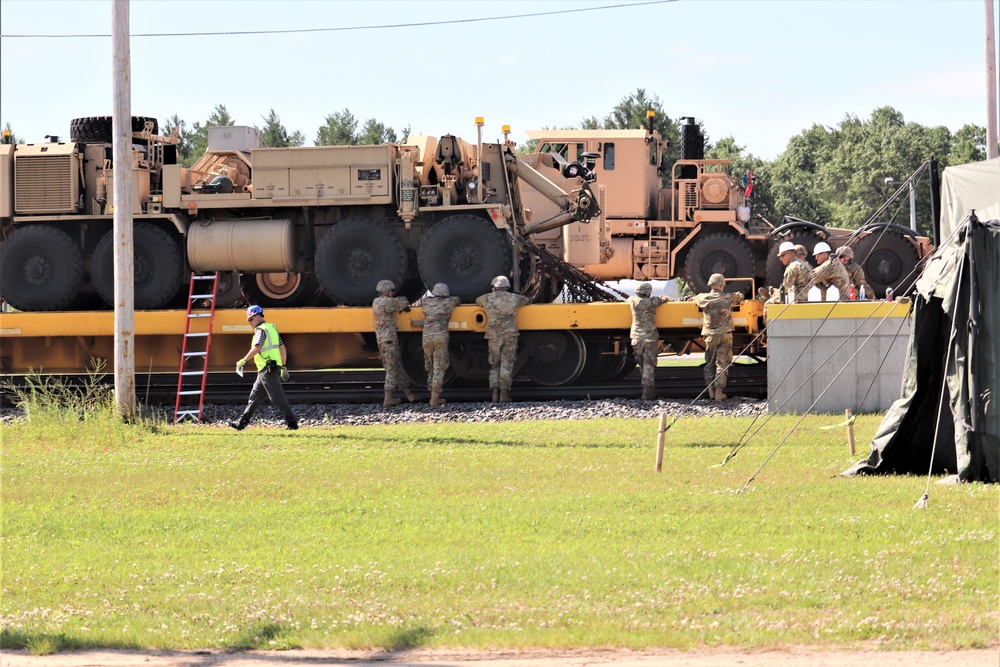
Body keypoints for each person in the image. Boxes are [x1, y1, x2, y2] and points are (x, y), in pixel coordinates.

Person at [230, 305, 298, 430]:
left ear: (257, 316)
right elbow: (282, 348)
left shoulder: (260, 330)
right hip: (266, 370)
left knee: (277, 398)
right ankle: (241, 424)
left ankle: (292, 424)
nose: (250, 323)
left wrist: (243, 360)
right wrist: (283, 365)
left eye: (250, 319)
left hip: (268, 370)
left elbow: (257, 347)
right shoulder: (271, 328)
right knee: (254, 398)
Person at [476, 275, 530, 403]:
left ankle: (494, 394)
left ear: (494, 287)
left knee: (494, 364)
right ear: (507, 287)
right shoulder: (514, 298)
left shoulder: (487, 298)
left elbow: (478, 300)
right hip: (510, 335)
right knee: (507, 364)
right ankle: (504, 394)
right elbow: (526, 300)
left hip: (493, 336)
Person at [693, 273, 744, 402]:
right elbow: (740, 296)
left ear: (710, 285)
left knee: (710, 363)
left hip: (710, 336)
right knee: (722, 363)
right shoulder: (728, 298)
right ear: (722, 285)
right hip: (725, 335)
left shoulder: (702, 298)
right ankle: (719, 393)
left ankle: (711, 392)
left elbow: (694, 299)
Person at [373, 279, 416, 408]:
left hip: (381, 340)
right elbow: (403, 303)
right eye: (391, 290)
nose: (392, 292)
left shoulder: (376, 302)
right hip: (389, 340)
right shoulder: (386, 302)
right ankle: (388, 398)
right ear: (385, 291)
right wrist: (402, 297)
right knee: (392, 369)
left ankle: (409, 395)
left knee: (394, 367)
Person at [627, 281, 670, 401]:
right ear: (649, 292)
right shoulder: (653, 302)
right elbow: (665, 298)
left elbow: (629, 299)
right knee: (649, 366)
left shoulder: (632, 301)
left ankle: (648, 390)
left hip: (636, 338)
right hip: (650, 338)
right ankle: (647, 392)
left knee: (642, 366)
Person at [419, 283, 461, 406]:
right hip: (440, 337)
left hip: (426, 337)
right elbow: (457, 300)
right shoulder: (449, 302)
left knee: (430, 365)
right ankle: (435, 397)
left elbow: (424, 301)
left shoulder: (426, 303)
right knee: (439, 367)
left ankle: (430, 391)